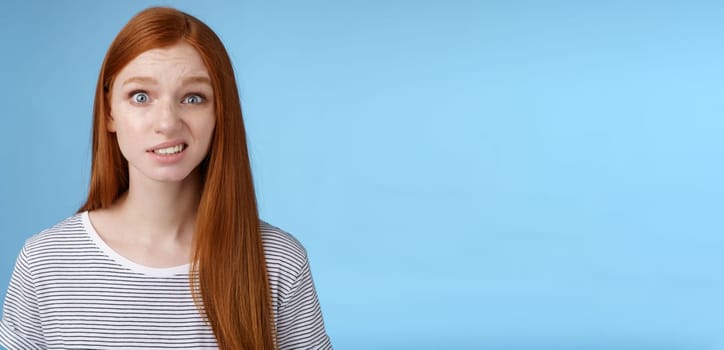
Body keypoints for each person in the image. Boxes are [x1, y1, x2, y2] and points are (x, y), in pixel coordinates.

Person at [0, 6, 332, 350]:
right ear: (109, 112)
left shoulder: (278, 261)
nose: (168, 122)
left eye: (193, 98)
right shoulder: (44, 261)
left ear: (220, 113)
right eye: (140, 96)